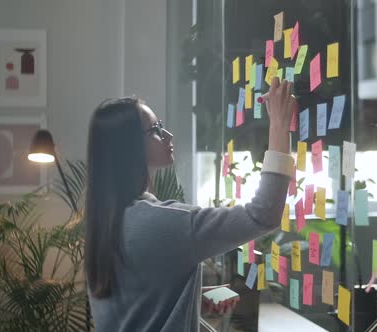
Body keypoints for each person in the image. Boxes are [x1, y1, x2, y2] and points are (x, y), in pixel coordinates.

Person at [84, 77, 297, 331]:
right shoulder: (162, 224)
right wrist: (280, 125)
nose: (168, 135)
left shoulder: (107, 221)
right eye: (156, 130)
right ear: (129, 148)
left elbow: (136, 298)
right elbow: (263, 213)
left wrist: (196, 297)